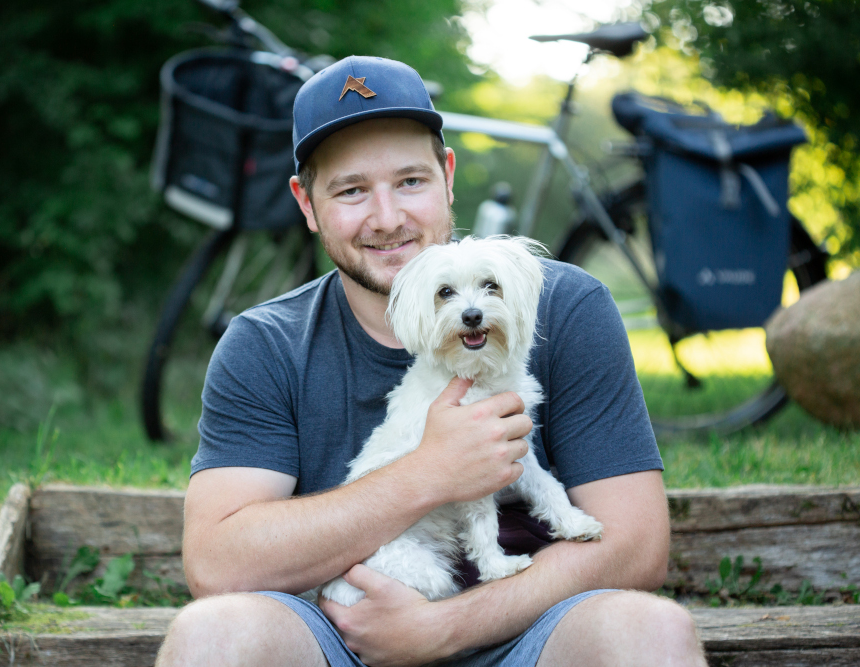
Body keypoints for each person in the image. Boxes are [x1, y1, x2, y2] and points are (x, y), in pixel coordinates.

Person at [156, 55, 706, 667]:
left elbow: (636, 545)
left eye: (410, 181)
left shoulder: (565, 306)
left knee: (649, 633)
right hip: (336, 639)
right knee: (215, 635)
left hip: (530, 632)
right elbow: (216, 564)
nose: (388, 218)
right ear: (307, 204)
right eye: (352, 190)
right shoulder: (265, 343)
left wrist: (442, 628)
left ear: (448, 176)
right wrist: (427, 474)